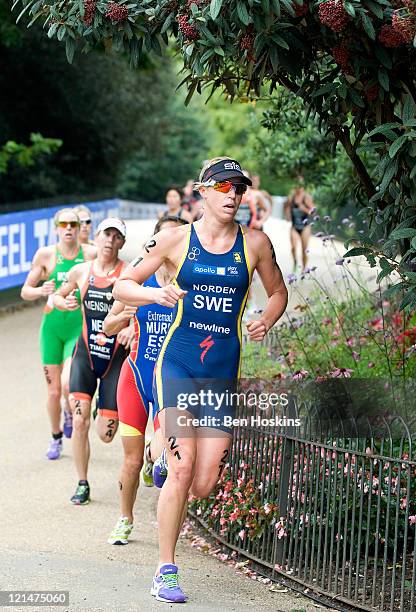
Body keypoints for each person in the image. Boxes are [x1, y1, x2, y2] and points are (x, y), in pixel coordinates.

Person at [113, 156, 288, 603]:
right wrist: (156, 292)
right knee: (183, 467)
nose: (234, 195)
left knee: (204, 482)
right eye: (225, 187)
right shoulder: (174, 239)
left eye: (240, 189)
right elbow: (122, 286)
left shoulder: (255, 244)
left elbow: (278, 292)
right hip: (178, 366)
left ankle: (167, 467)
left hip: (220, 375)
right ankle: (165, 570)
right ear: (203, 191)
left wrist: (266, 317)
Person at [104, 216, 189, 546]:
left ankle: (159, 460)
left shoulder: (190, 283)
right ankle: (125, 519)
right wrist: (127, 315)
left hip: (170, 380)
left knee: (165, 455)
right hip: (135, 377)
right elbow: (108, 327)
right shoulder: (138, 282)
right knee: (132, 458)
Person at [54, 218, 132, 505]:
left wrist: (129, 327)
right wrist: (64, 302)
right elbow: (57, 297)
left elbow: (141, 309)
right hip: (86, 356)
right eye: (106, 235)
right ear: (96, 238)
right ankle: (82, 482)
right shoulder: (81, 271)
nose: (110, 241)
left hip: (114, 362)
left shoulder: (129, 274)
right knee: (79, 419)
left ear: (122, 242)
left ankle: (105, 407)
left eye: (116, 237)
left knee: (107, 435)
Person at [20, 208, 96, 460]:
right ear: (56, 228)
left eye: (73, 224)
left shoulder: (89, 254)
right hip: (51, 329)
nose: (69, 228)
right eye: (63, 224)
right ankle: (55, 436)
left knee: (66, 384)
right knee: (53, 391)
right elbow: (25, 291)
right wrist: (41, 290)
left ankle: (70, 408)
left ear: (78, 228)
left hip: (77, 328)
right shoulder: (46, 255)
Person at [284, 174, 315, 272]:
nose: (298, 186)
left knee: (304, 250)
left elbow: (313, 212)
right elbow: (287, 207)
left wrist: (304, 208)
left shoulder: (307, 197)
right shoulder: (291, 197)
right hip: (294, 226)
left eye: (300, 183)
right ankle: (295, 263)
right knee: (293, 248)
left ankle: (304, 269)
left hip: (305, 227)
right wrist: (288, 215)